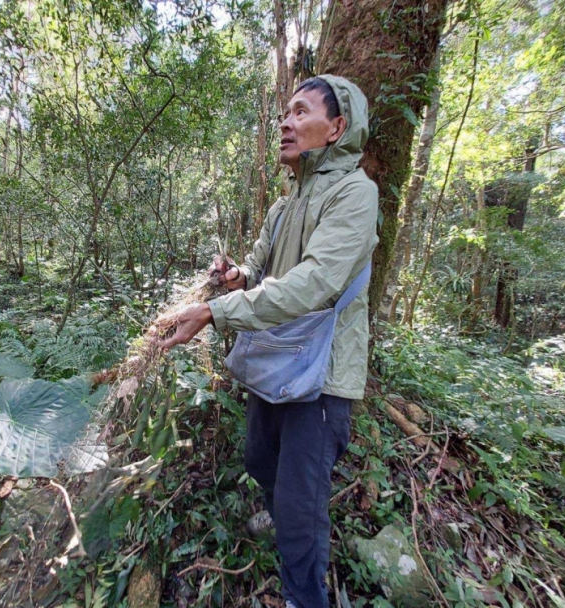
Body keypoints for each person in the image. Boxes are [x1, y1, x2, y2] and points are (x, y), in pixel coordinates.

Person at [159, 75, 379, 608]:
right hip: (277, 365)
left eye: (301, 112)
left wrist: (216, 310)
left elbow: (316, 283)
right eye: (285, 112)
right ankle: (278, 514)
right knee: (260, 459)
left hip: (321, 378)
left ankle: (304, 595)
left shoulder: (355, 194)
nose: (285, 122)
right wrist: (236, 278)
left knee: (303, 513)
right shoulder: (284, 206)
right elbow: (262, 273)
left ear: (337, 128)